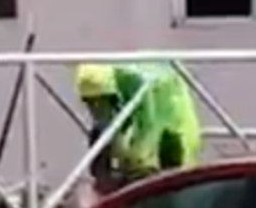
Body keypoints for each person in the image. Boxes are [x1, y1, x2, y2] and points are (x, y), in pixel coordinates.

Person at [75, 62, 203, 196]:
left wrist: (136, 166)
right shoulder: (109, 85)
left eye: (101, 102)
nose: (96, 108)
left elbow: (148, 129)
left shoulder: (139, 89)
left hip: (171, 118)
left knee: (172, 167)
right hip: (140, 112)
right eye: (90, 103)